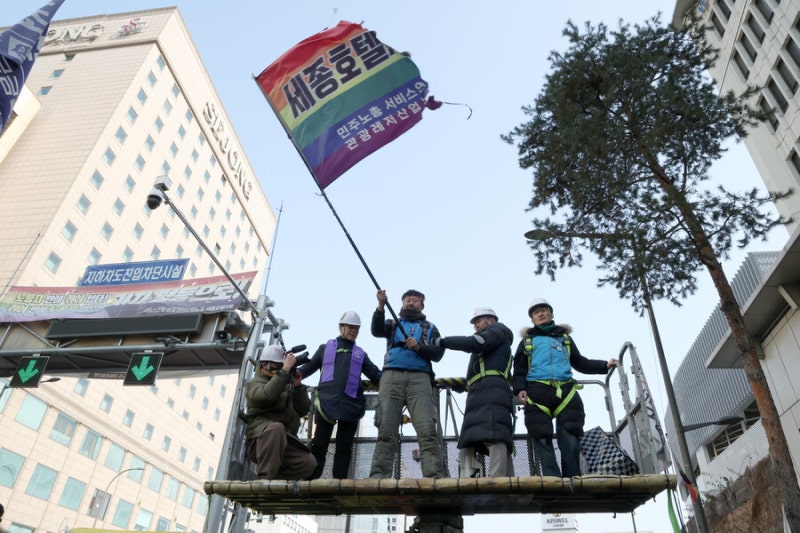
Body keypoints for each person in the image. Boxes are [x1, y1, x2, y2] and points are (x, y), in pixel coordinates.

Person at [512, 298, 617, 477]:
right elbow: (519, 370)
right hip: (537, 392)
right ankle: (553, 479)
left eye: (544, 310)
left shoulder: (565, 339)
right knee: (542, 436)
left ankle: (573, 478)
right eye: (536, 312)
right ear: (532, 319)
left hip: (565, 392)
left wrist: (604, 366)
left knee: (570, 435)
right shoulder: (527, 342)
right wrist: (519, 389)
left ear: (551, 314)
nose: (541, 314)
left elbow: (579, 362)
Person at [369, 289, 446, 479]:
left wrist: (419, 347)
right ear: (402, 303)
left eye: (415, 301)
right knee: (386, 428)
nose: (411, 303)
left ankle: (433, 475)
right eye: (407, 300)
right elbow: (376, 331)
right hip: (391, 375)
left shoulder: (430, 327)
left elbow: (438, 354)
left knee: (427, 429)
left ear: (422, 305)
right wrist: (380, 306)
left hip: (420, 378)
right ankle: (379, 476)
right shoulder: (392, 322)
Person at [299, 311, 382, 479]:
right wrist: (290, 372)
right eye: (350, 327)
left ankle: (339, 484)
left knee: (344, 448)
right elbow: (307, 369)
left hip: (350, 406)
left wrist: (393, 375)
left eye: (356, 328)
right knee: (319, 445)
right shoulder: (324, 349)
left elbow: (376, 375)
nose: (353, 331)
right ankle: (311, 482)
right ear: (341, 327)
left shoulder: (360, 354)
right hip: (325, 405)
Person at [435, 307, 515, 477]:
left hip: (490, 391)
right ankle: (502, 480)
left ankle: (497, 482)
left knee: (494, 436)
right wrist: (463, 385)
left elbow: (475, 343)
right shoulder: (497, 340)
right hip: (483, 390)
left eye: (479, 321)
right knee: (480, 437)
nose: (476, 325)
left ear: (491, 320)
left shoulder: (496, 331)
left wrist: (442, 342)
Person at [244, 344, 317, 480]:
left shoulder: (284, 384)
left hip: (283, 442)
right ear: (265, 365)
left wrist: (298, 386)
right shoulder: (255, 383)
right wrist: (284, 371)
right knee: (276, 428)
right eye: (278, 365)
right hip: (261, 441)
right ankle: (264, 480)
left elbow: (303, 410)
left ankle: (276, 481)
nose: (281, 369)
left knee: (308, 462)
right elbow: (266, 395)